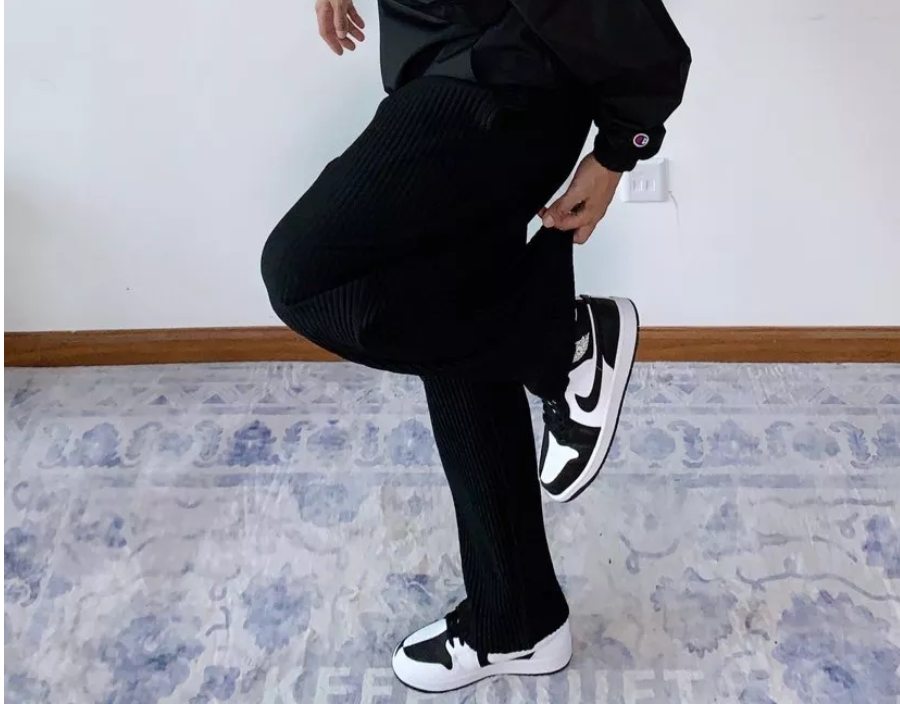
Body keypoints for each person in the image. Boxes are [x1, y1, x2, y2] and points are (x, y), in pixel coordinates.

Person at [261, 0, 690, 693]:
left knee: (303, 273)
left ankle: (563, 343)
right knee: (453, 316)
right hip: (458, 64)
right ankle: (517, 619)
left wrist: (621, 146)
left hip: (503, 79)